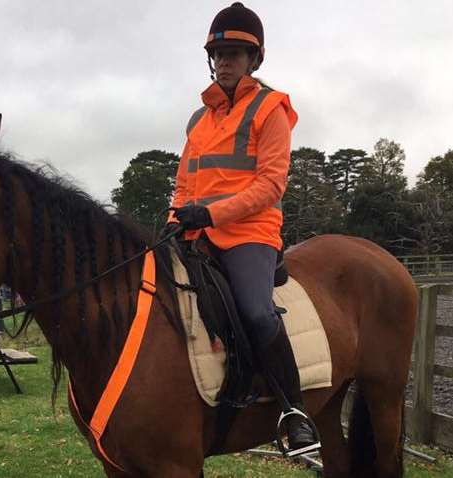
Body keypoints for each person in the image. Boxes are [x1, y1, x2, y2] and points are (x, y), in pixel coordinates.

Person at [165, 2, 319, 455]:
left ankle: (294, 412)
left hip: (249, 233)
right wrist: (175, 218)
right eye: (220, 53)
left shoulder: (271, 108)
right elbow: (183, 183)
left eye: (235, 53)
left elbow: (271, 184)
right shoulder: (198, 119)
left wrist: (211, 214)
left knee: (254, 310)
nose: (226, 61)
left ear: (254, 59)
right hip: (195, 234)